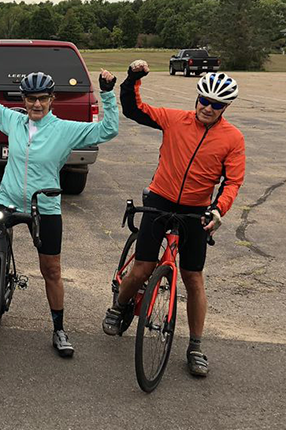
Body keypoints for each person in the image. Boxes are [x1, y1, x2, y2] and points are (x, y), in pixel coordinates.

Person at [0, 50, 119, 357]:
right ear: (23, 100)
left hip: (45, 207)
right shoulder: (14, 121)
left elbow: (107, 130)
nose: (37, 104)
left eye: (43, 99)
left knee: (51, 270)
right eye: (31, 98)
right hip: (7, 201)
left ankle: (59, 328)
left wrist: (108, 94)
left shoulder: (64, 129)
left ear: (52, 100)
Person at [102, 63, 245, 377]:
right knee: (141, 269)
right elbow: (134, 109)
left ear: (226, 107)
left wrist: (218, 209)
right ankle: (119, 306)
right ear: (197, 99)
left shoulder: (232, 138)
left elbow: (232, 181)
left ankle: (195, 345)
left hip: (197, 210)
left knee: (193, 279)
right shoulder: (175, 119)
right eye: (204, 100)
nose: (208, 107)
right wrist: (134, 78)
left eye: (217, 104)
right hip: (160, 199)